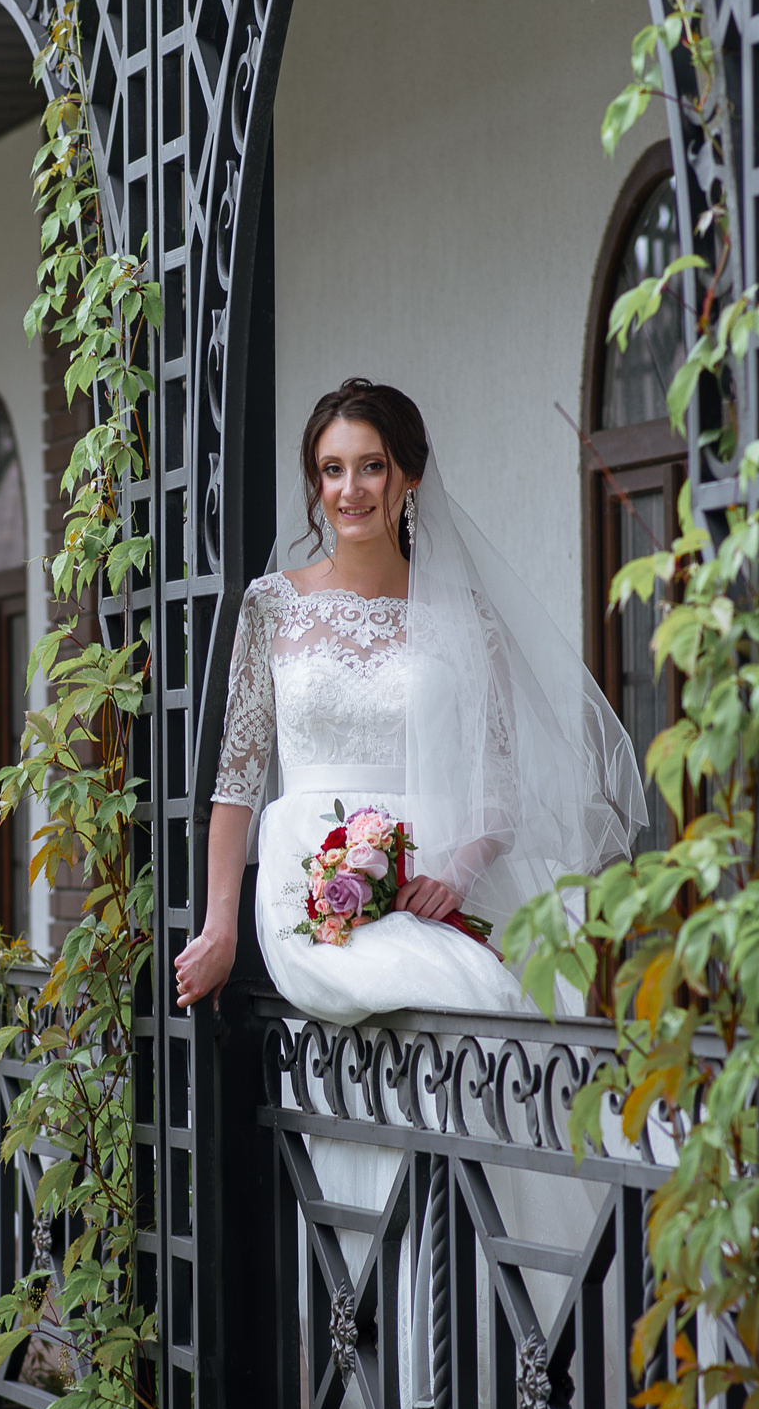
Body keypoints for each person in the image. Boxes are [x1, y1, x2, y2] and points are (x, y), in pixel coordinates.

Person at [173, 379, 645, 1024]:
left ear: (411, 477)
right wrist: (219, 929)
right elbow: (237, 781)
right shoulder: (272, 604)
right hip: (311, 878)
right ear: (316, 484)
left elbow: (498, 787)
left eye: (373, 467)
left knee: (487, 1001)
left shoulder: (465, 619)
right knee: (431, 990)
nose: (351, 489)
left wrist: (456, 871)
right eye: (332, 470)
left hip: (438, 876)